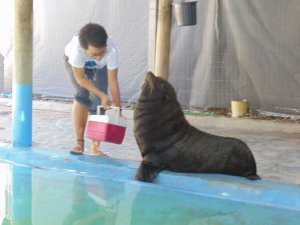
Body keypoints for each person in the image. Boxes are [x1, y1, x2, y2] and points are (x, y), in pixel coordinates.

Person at [64, 23, 121, 156]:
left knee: (99, 103)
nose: (100, 57)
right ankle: (79, 142)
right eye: (94, 54)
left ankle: (95, 147)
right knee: (82, 95)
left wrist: (118, 108)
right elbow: (80, 78)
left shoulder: (112, 51)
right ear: (85, 49)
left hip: (100, 68)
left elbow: (113, 81)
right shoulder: (76, 51)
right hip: (74, 65)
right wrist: (101, 94)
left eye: (102, 52)